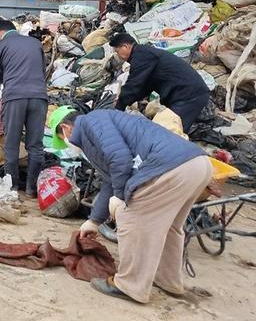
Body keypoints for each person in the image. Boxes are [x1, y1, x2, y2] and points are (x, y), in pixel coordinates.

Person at [49, 106, 211, 304]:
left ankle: (130, 285)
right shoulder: (97, 130)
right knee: (168, 227)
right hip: (196, 165)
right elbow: (111, 178)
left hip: (170, 166)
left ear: (66, 128)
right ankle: (168, 281)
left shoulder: (92, 122)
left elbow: (120, 160)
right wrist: (94, 220)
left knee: (130, 217)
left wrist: (120, 197)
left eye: (63, 139)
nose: (67, 144)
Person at [0, 19, 47, 196]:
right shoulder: (35, 43)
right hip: (39, 97)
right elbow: (43, 71)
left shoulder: (0, 46)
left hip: (14, 97)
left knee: (11, 143)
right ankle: (31, 189)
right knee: (35, 145)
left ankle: (12, 187)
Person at [110, 33, 210, 133]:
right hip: (183, 93)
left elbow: (133, 85)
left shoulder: (141, 56)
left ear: (125, 46)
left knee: (170, 134)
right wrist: (127, 101)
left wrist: (117, 109)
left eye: (117, 51)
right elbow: (144, 86)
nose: (118, 56)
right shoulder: (142, 53)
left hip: (188, 95)